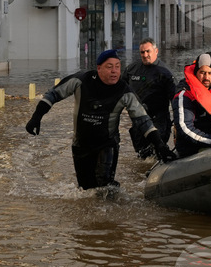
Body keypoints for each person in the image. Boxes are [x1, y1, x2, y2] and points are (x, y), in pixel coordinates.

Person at [25, 49, 176, 190]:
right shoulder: (82, 80)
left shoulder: (125, 90)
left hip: (107, 143)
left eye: (117, 67)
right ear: (99, 68)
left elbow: (142, 120)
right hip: (81, 144)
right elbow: (53, 94)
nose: (114, 71)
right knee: (86, 190)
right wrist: (36, 117)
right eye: (109, 67)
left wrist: (160, 145)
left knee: (105, 186)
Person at [123, 38, 177, 159]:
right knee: (142, 156)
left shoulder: (166, 73)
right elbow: (121, 89)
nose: (145, 55)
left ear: (156, 51)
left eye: (148, 51)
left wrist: (178, 122)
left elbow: (175, 99)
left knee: (158, 152)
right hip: (139, 119)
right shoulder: (132, 69)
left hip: (159, 118)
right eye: (142, 52)